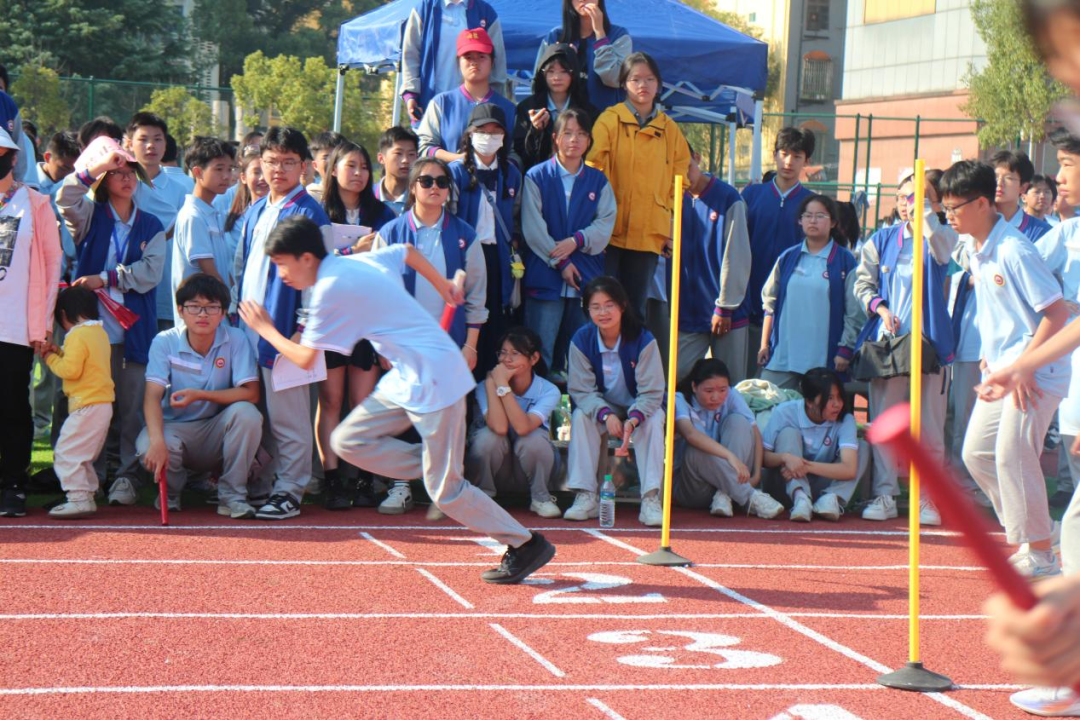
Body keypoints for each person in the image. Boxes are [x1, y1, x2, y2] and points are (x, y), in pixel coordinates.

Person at [239, 216, 556, 583]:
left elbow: (306, 358)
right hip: (406, 377)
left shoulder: (330, 288)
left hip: (436, 377)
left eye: (282, 264)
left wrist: (265, 329)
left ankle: (525, 543)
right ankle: (435, 463)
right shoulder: (354, 261)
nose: (281, 275)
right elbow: (406, 251)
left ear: (306, 258)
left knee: (447, 493)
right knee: (347, 441)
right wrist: (443, 286)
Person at [939, 160, 1069, 579]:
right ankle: (1041, 533)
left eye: (954, 208)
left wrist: (1026, 365)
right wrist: (991, 355)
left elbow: (1057, 314)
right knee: (977, 454)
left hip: (1036, 371)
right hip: (1002, 369)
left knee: (1014, 454)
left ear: (982, 203)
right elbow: (1004, 315)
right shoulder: (978, 250)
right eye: (945, 208)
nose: (949, 216)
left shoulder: (1014, 250)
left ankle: (1042, 554)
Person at [371, 157, 486, 513]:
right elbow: (376, 295)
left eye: (441, 181)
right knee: (403, 413)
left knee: (448, 417)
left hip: (449, 344)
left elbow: (477, 297)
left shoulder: (466, 235)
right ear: (412, 187)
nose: (434, 187)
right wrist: (382, 347)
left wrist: (470, 345)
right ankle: (400, 485)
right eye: (425, 181)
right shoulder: (391, 233)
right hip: (403, 344)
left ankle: (448, 492)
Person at [57, 138, 165, 508]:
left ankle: (126, 478)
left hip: (134, 331)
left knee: (131, 408)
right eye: (117, 173)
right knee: (92, 406)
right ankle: (91, 477)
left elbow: (151, 272)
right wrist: (98, 166)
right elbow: (65, 199)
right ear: (103, 180)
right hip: (92, 336)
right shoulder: (89, 215)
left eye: (130, 172)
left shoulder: (151, 224)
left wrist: (105, 278)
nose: (126, 178)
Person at [236, 126, 333, 520]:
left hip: (287, 332)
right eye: (271, 161)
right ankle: (262, 485)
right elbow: (241, 268)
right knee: (258, 413)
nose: (278, 169)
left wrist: (303, 330)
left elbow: (321, 279)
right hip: (248, 330)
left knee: (290, 418)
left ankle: (291, 490)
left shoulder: (309, 213)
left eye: (288, 162)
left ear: (304, 166)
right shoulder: (257, 209)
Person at [853, 169, 956, 525]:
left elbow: (943, 251)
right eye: (902, 197)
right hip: (889, 346)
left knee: (930, 427)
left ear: (935, 203)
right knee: (886, 422)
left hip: (932, 345)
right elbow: (862, 284)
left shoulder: (943, 236)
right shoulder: (881, 240)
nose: (907, 204)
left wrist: (927, 214)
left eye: (917, 197)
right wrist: (881, 309)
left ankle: (927, 499)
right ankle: (884, 493)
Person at [138, 274, 263, 516]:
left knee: (247, 414)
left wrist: (200, 395)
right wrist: (157, 441)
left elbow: (251, 393)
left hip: (216, 429)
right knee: (147, 444)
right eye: (194, 306)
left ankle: (232, 497)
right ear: (180, 310)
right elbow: (151, 397)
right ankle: (171, 494)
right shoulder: (164, 341)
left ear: (223, 312)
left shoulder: (236, 338)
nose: (203, 314)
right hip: (174, 428)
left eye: (212, 307)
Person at [317, 140, 397, 510]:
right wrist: (352, 252)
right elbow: (315, 264)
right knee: (331, 401)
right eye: (351, 166)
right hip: (332, 319)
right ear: (333, 169)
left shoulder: (383, 214)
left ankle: (366, 479)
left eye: (364, 167)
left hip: (369, 320)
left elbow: (393, 267)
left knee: (362, 402)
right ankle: (331, 480)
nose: (359, 173)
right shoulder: (318, 211)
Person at [586, 52, 690, 318]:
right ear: (624, 84)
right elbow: (593, 170)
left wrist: (667, 224)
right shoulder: (609, 120)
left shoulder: (670, 130)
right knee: (603, 305)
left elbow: (680, 179)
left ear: (659, 84)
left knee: (635, 311)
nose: (643, 85)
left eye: (650, 79)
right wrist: (598, 220)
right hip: (609, 231)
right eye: (635, 79)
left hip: (648, 234)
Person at [564, 276, 666, 526]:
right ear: (587, 310)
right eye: (595, 307)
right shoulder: (581, 340)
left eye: (609, 305)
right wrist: (606, 414)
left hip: (639, 405)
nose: (603, 312)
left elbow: (652, 392)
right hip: (603, 406)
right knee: (581, 416)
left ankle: (650, 498)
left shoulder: (643, 339)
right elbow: (581, 390)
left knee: (654, 420)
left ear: (622, 305)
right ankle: (586, 495)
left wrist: (634, 418)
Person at [522, 108, 615, 374]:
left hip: (584, 278)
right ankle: (540, 401)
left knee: (580, 356)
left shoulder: (598, 181)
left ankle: (577, 402)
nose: (574, 140)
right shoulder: (536, 176)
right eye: (568, 133)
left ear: (589, 140)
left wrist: (577, 240)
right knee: (540, 353)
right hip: (545, 276)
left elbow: (606, 222)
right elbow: (533, 228)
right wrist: (561, 261)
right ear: (555, 138)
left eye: (582, 134)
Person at [0, 128, 63, 518]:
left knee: (12, 407)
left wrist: (42, 325)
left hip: (14, 327)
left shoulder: (35, 203)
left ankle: (13, 485)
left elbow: (53, 264)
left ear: (12, 156)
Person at [758, 194, 861, 390]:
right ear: (800, 221)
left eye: (820, 216)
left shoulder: (845, 261)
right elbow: (769, 303)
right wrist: (764, 344)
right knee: (767, 401)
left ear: (833, 223)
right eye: (808, 215)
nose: (813, 221)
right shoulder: (787, 257)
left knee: (819, 408)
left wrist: (845, 349)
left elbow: (854, 313)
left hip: (824, 360)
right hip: (783, 357)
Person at [448, 104, 521, 379]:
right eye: (482, 130)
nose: (489, 137)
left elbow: (516, 215)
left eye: (495, 131)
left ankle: (489, 390)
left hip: (498, 257)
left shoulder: (511, 173)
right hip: (465, 258)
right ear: (470, 134)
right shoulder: (455, 172)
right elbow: (449, 216)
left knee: (495, 324)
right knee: (465, 320)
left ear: (504, 136)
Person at [738, 128, 815, 380]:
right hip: (747, 304)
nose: (789, 162)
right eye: (784, 154)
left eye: (797, 156)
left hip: (790, 309)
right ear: (774, 155)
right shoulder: (751, 195)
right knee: (744, 380)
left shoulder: (811, 204)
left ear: (806, 161)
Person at [466, 327, 562, 518]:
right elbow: (499, 428)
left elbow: (523, 427)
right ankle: (484, 496)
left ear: (534, 358)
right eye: (503, 352)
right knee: (488, 437)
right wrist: (493, 385)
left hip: (528, 471)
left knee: (534, 438)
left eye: (515, 353)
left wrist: (502, 385)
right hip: (497, 469)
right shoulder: (484, 386)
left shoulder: (550, 390)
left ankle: (541, 499)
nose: (506, 359)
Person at [675, 151, 751, 385]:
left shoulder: (728, 198)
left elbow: (737, 254)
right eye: (677, 170)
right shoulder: (673, 196)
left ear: (697, 158)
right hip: (687, 310)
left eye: (688, 166)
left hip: (727, 311)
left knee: (730, 384)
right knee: (674, 376)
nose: (684, 175)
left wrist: (725, 307)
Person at [672, 358, 782, 519]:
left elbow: (755, 433)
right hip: (695, 487)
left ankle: (725, 494)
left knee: (739, 422)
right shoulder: (679, 399)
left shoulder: (732, 395)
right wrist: (730, 457)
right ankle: (751, 497)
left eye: (722, 390)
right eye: (709, 391)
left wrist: (757, 474)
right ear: (694, 386)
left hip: (731, 486)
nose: (716, 397)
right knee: (695, 451)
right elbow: (690, 434)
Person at [40, 287, 114, 518]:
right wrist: (60, 352)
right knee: (82, 455)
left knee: (66, 452)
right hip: (101, 404)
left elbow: (70, 370)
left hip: (86, 405)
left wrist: (49, 357)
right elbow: (84, 361)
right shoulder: (98, 332)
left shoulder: (76, 335)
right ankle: (87, 495)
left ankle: (78, 498)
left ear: (63, 314)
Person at [761, 368, 866, 523]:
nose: (837, 404)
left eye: (839, 397)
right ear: (809, 402)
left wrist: (805, 466)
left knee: (862, 447)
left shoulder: (845, 419)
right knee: (789, 433)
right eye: (829, 398)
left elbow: (849, 469)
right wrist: (785, 457)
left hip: (820, 487)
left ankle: (830, 499)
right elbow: (763, 458)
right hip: (784, 485)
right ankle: (800, 498)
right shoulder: (784, 412)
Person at [29, 131, 80, 442]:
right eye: (64, 168)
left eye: (74, 169)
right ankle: (26, 420)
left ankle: (43, 422)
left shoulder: (73, 190)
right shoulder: (23, 183)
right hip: (28, 290)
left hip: (61, 287)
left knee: (54, 358)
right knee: (23, 361)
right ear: (48, 158)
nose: (68, 174)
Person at [125, 113, 190, 333]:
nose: (151, 145)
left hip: (166, 291)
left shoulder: (182, 190)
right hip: (124, 287)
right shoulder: (118, 185)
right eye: (143, 139)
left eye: (157, 139)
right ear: (129, 143)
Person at [417, 28, 516, 165]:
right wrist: (459, 159)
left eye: (481, 56)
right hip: (448, 177)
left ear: (492, 62)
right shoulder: (441, 103)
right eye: (468, 57)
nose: (474, 62)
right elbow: (425, 147)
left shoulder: (508, 108)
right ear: (458, 62)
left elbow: (514, 153)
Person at [400, 0, 508, 125]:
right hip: (430, 107)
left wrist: (494, 104)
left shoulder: (485, 12)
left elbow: (498, 63)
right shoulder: (424, 9)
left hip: (475, 111)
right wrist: (410, 95)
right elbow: (410, 55)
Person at [171, 137, 236, 326]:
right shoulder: (193, 216)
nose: (226, 176)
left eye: (230, 169)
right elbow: (210, 272)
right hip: (200, 319)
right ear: (198, 172)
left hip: (214, 316)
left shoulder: (212, 212)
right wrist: (231, 305)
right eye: (219, 169)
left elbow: (223, 270)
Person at [514, 43, 598, 173]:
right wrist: (535, 131)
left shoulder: (588, 111)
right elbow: (520, 153)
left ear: (574, 74)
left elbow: (593, 150)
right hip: (539, 177)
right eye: (551, 71)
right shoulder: (527, 108)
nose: (557, 77)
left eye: (564, 71)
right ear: (543, 74)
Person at [536, 0, 632, 110]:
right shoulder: (556, 36)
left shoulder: (618, 35)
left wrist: (600, 34)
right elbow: (539, 82)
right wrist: (564, 60)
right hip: (565, 117)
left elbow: (614, 79)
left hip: (605, 116)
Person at [224, 146, 269, 286]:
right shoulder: (232, 215)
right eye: (256, 172)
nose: (262, 178)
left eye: (265, 171)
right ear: (243, 177)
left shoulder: (277, 214)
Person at [993, 150, 1053, 243]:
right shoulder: (976, 223)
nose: (999, 183)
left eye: (1008, 178)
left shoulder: (1041, 232)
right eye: (995, 177)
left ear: (1023, 187)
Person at [375, 126, 419, 216]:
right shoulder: (367, 196)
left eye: (411, 154)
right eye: (398, 153)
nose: (405, 160)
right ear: (381, 158)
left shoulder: (421, 199)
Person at [306, 131, 346, 197]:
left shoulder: (354, 195)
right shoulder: (310, 197)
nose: (332, 161)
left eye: (338, 157)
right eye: (326, 157)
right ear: (315, 165)